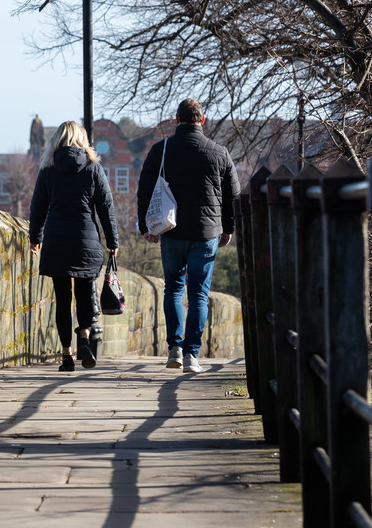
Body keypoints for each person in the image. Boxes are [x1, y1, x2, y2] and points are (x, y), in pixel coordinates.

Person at [136, 99, 239, 374]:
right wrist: (227, 228)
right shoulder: (219, 152)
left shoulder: (161, 150)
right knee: (199, 295)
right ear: (202, 120)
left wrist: (145, 225)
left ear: (177, 119)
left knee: (173, 288)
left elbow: (144, 188)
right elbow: (233, 196)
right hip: (206, 233)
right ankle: (192, 354)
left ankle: (175, 349)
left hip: (171, 231)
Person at [29, 121, 119, 372]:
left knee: (62, 299)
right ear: (82, 140)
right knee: (84, 295)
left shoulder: (48, 169)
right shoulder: (93, 168)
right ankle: (85, 341)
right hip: (85, 240)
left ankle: (67, 356)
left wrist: (35, 236)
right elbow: (105, 207)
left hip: (57, 240)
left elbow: (38, 207)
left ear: (57, 140)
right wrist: (113, 241)